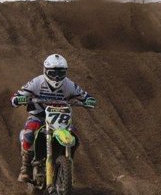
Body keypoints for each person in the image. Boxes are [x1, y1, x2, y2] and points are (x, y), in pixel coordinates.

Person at [10, 53, 97, 182]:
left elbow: (85, 96)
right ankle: (25, 168)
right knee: (29, 135)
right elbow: (16, 96)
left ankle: (66, 164)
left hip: (61, 119)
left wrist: (89, 100)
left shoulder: (69, 84)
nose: (56, 77)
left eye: (60, 73)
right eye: (53, 73)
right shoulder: (37, 82)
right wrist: (18, 99)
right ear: (45, 71)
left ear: (65, 72)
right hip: (38, 116)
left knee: (74, 137)